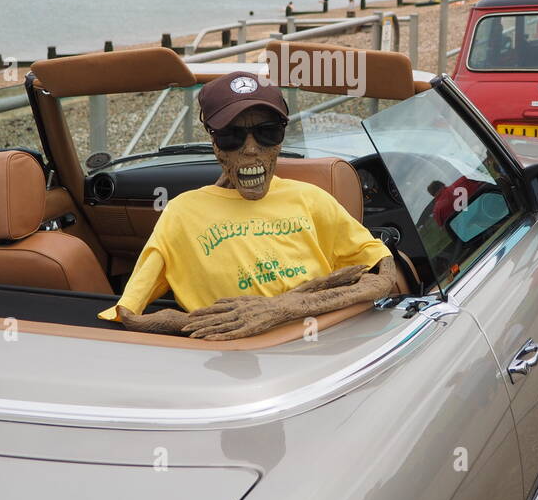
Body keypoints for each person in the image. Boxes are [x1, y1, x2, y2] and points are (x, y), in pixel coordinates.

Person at [99, 73, 396, 338]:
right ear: (214, 144)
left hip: (314, 345)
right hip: (229, 360)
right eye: (231, 136)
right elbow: (128, 313)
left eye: (268, 133)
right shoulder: (181, 213)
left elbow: (383, 274)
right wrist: (193, 323)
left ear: (281, 138)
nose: (251, 149)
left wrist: (285, 306)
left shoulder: (311, 199)